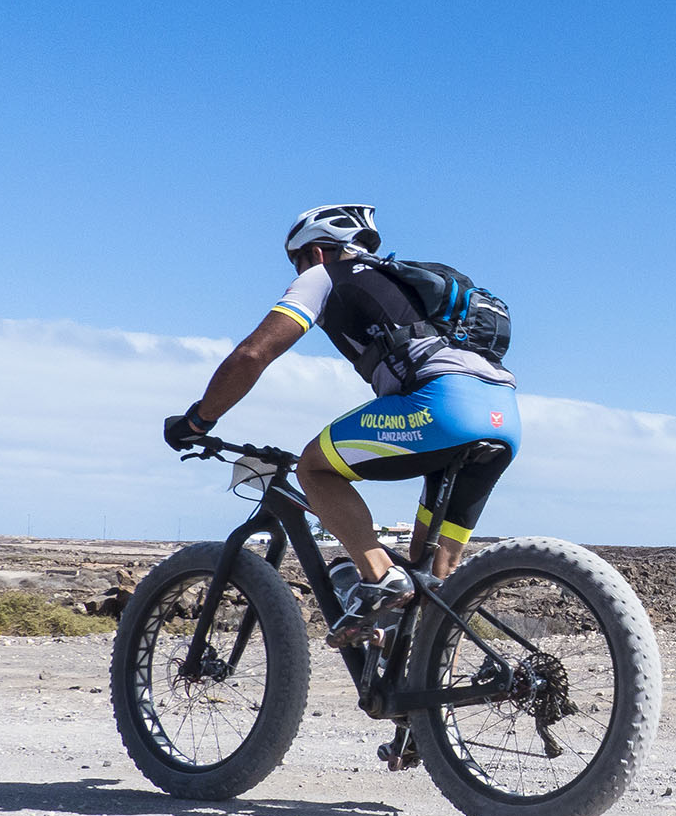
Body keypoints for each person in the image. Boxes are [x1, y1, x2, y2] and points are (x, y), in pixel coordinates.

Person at [164, 204, 521, 646]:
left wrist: (200, 420)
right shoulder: (398, 280)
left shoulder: (323, 275)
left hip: (441, 405)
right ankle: (420, 694)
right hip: (502, 416)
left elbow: (253, 355)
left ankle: (376, 575)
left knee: (313, 468)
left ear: (314, 252)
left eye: (295, 263)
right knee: (432, 580)